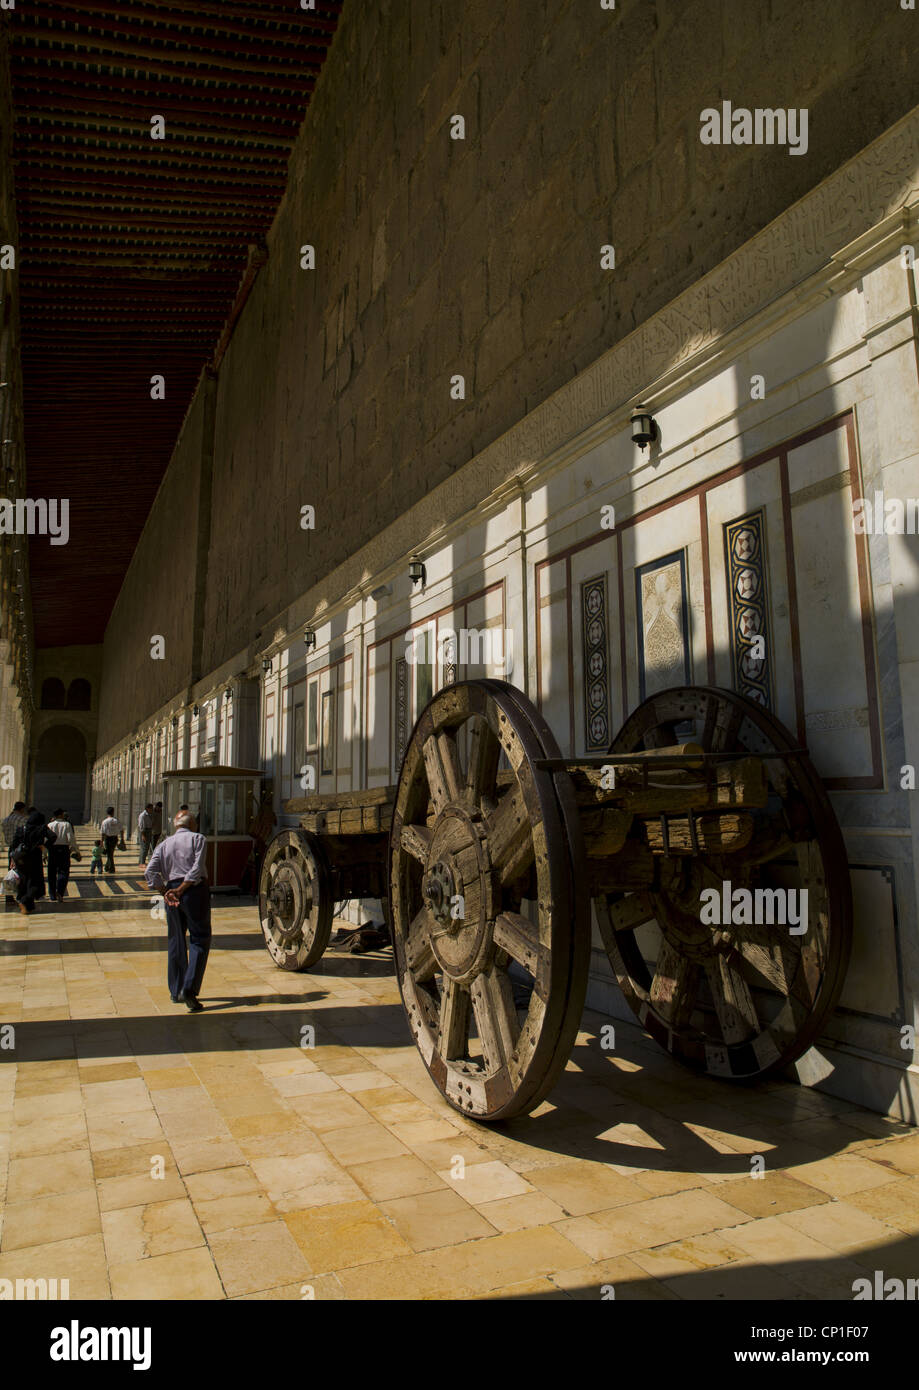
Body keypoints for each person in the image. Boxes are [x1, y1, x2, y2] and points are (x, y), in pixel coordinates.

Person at [144, 810, 211, 1012]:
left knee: (175, 939)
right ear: (193, 824)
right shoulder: (198, 839)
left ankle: (176, 990)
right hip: (193, 891)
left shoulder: (164, 844)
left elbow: (150, 871)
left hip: (171, 892)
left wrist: (165, 890)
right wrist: (182, 889)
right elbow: (197, 868)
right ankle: (189, 989)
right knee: (199, 938)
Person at [9, 810, 55, 915]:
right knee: (34, 881)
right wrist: (44, 846)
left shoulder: (21, 829)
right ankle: (25, 901)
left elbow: (14, 845)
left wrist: (12, 859)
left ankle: (27, 905)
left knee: (23, 879)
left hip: (21, 858)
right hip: (34, 857)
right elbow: (53, 836)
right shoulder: (41, 828)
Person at [46, 808, 75, 904]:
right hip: (63, 849)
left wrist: (44, 854)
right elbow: (70, 838)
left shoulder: (49, 825)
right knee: (63, 871)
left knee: (51, 872)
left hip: (52, 849)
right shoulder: (67, 824)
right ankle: (60, 892)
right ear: (61, 815)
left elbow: (45, 840)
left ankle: (52, 895)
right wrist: (73, 849)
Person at [2, 801, 28, 906]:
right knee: (21, 872)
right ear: (22, 809)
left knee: (12, 872)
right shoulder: (22, 820)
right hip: (20, 848)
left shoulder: (6, 820)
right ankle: (21, 895)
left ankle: (9, 895)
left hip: (11, 848)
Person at [100, 806, 122, 874]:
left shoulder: (104, 822)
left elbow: (103, 833)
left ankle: (112, 868)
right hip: (115, 839)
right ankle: (107, 866)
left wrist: (101, 842)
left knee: (110, 854)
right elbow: (121, 830)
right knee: (110, 853)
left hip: (108, 839)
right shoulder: (116, 820)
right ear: (113, 812)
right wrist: (122, 839)